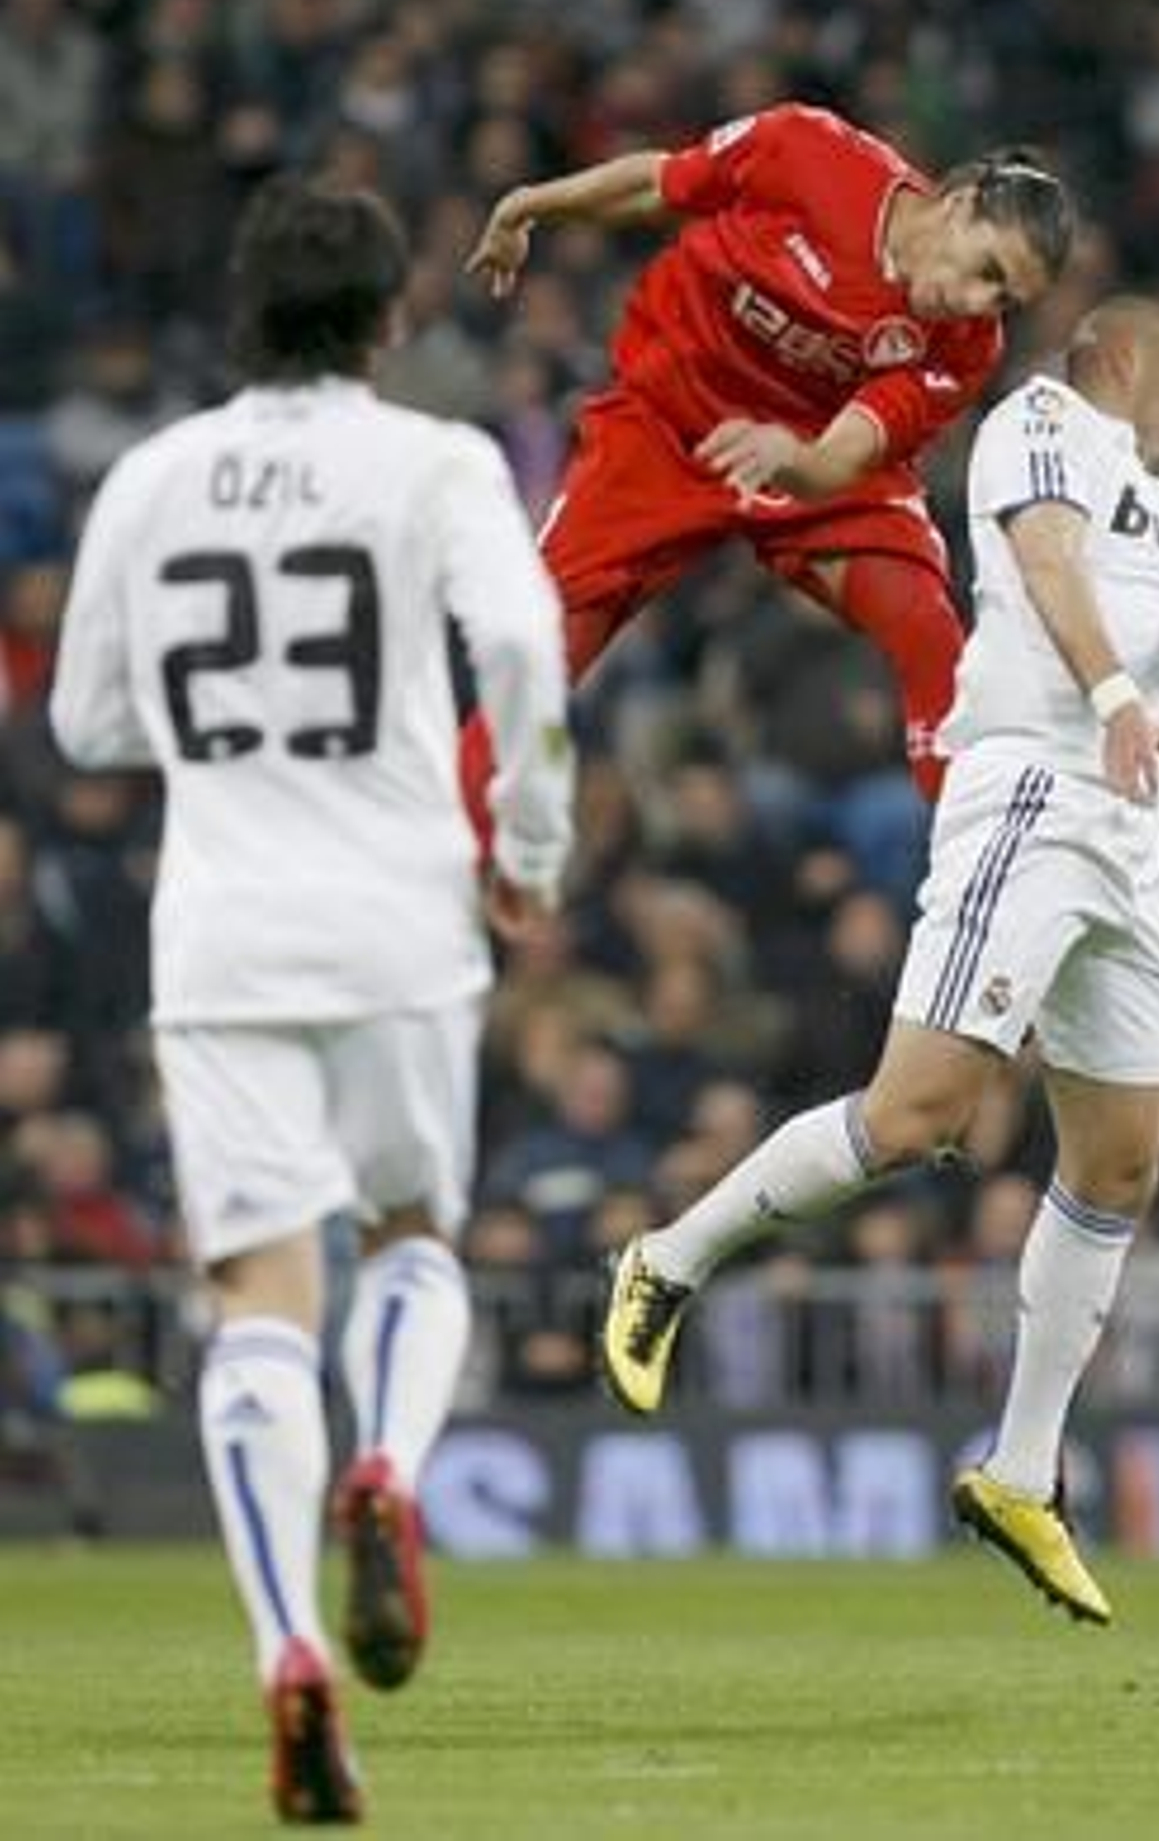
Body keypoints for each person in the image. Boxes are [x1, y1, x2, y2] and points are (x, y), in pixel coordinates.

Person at [600, 296, 1159, 1623]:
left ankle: (1022, 1470)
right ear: (1124, 359)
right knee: (918, 1119)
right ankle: (667, 1257)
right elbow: (1050, 564)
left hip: (1133, 836)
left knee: (1121, 1162)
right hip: (1033, 788)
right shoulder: (1041, 422)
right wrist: (1119, 700)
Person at [50, 176, 574, 1824]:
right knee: (414, 1231)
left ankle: (288, 1649)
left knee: (256, 1300)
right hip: (404, 915)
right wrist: (531, 846)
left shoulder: (149, 480)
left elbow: (86, 724)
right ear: (390, 317)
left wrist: (233, 738)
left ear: (240, 308)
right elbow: (527, 649)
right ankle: (388, 1467)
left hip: (221, 938)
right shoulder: (436, 465)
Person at [463, 101, 1074, 804]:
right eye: (986, 268)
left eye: (1004, 298)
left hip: (810, 455)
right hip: (669, 422)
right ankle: (445, 853)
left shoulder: (968, 347)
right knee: (542, 648)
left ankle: (977, 872)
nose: (977, 302)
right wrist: (527, 206)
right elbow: (659, 184)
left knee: (926, 628)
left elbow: (842, 459)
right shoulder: (809, 152)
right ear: (959, 205)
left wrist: (791, 455)